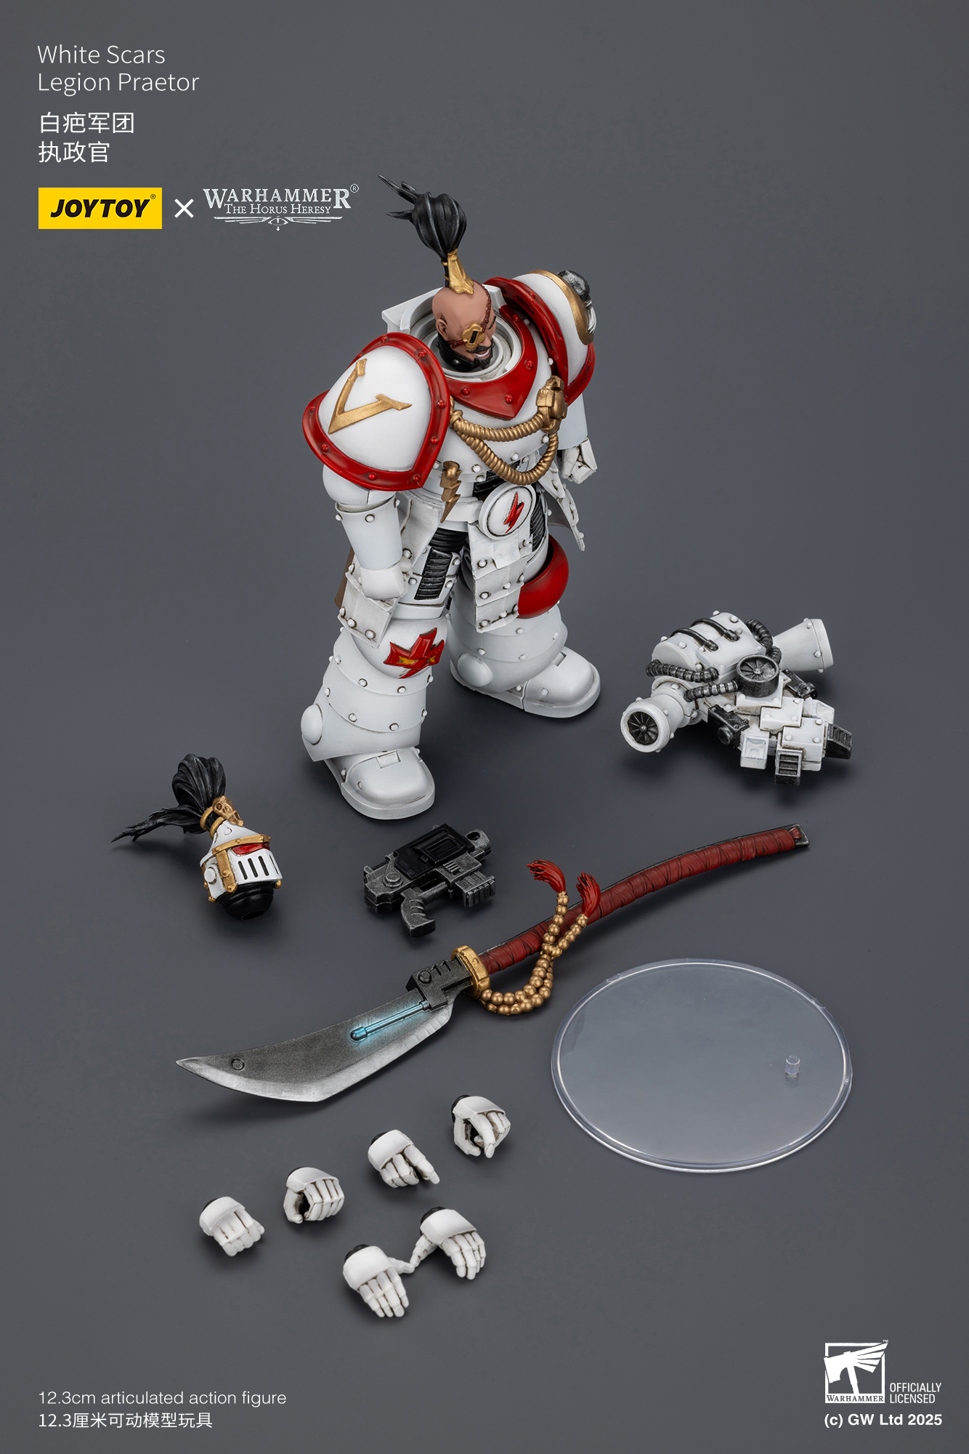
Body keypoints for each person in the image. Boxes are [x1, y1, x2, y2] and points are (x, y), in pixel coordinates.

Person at [299, 178, 599, 818]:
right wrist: (379, 562)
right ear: (440, 327)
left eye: (487, 325)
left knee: (527, 587)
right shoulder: (401, 376)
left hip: (515, 503)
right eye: (467, 334)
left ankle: (515, 666)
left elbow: (562, 389)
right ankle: (361, 738)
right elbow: (353, 481)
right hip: (432, 525)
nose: (484, 341)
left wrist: (572, 446)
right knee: (400, 631)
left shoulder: (535, 332)